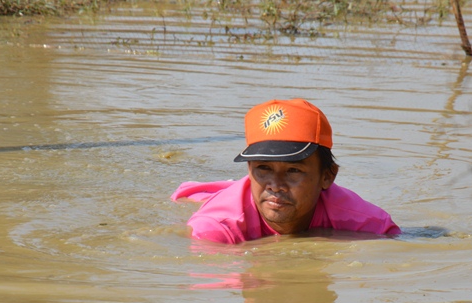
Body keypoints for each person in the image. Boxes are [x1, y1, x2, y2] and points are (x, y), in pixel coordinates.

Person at [171, 98, 400, 244]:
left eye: (292, 170)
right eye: (263, 168)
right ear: (249, 170)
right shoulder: (214, 229)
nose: (275, 185)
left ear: (327, 176)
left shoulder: (370, 225)